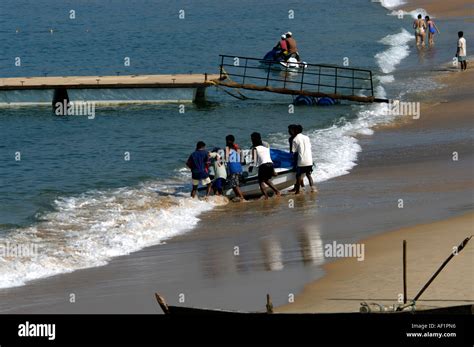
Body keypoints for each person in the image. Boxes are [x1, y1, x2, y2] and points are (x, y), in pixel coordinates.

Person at [251, 132, 280, 199]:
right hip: (271, 164)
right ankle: (277, 191)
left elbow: (254, 161)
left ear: (253, 140)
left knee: (261, 181)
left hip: (263, 165)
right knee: (266, 180)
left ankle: (266, 196)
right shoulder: (265, 148)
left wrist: (251, 166)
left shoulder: (255, 149)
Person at [291, 125, 316, 194]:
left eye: (292, 130)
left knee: (298, 176)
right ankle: (313, 188)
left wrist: (294, 163)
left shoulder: (295, 139)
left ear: (295, 131)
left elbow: (294, 152)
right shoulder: (307, 137)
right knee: (308, 174)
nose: (291, 131)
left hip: (301, 161)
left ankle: (298, 191)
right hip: (309, 160)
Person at [225, 135, 246, 201]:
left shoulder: (227, 149)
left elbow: (225, 159)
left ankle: (241, 197)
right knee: (235, 184)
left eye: (226, 140)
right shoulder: (237, 148)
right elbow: (243, 161)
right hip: (239, 169)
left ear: (228, 141)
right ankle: (238, 197)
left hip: (233, 169)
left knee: (235, 185)